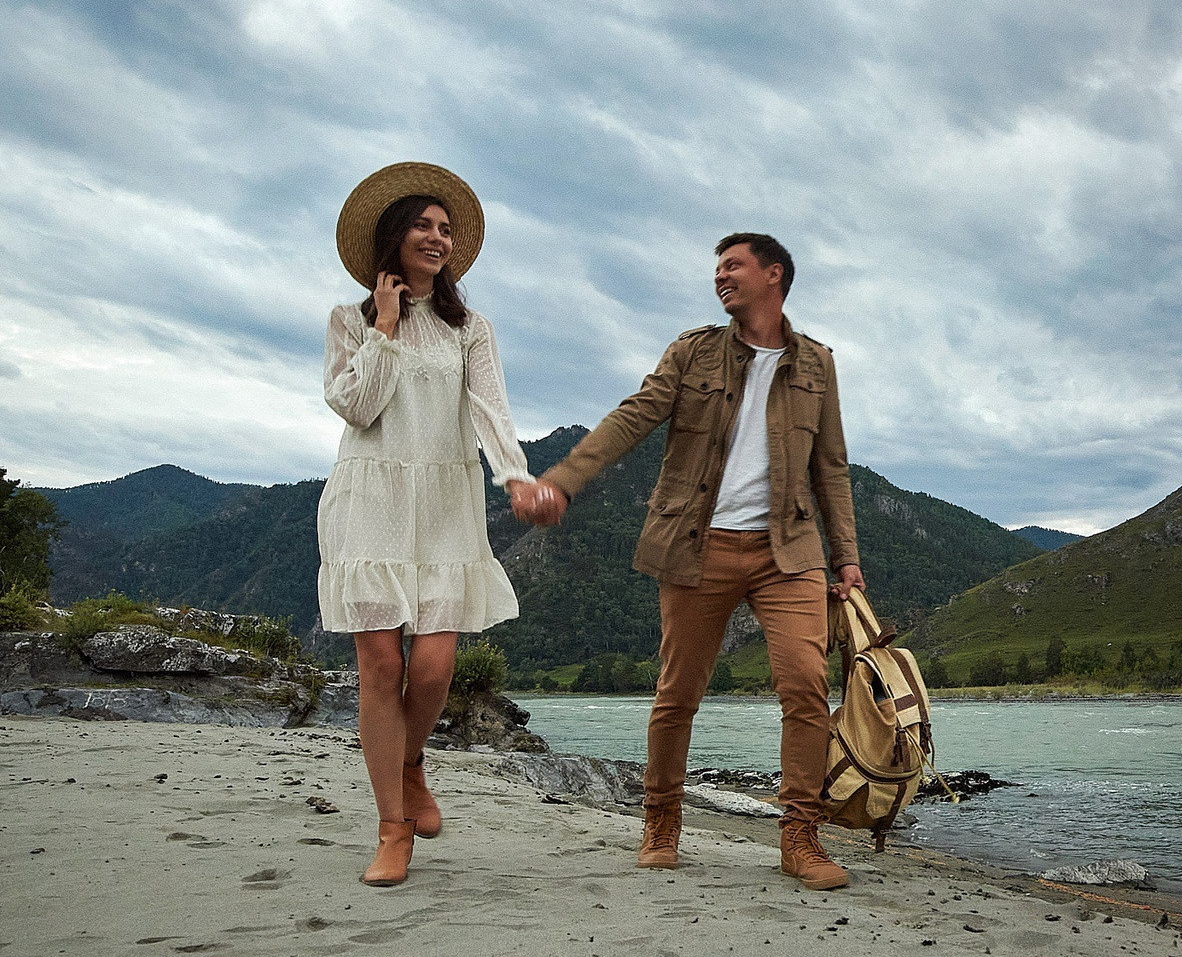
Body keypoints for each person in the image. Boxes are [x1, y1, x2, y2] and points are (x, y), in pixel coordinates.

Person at [511, 233, 863, 890]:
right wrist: (561, 480)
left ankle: (800, 838)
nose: (720, 277)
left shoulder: (818, 365)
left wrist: (847, 558)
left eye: (733, 266)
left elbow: (831, 468)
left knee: (806, 686)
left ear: (773, 275)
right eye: (716, 268)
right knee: (678, 695)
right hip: (696, 545)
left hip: (787, 549)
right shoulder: (692, 350)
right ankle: (661, 820)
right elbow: (632, 417)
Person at [318, 162, 541, 887]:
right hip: (371, 502)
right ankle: (392, 826)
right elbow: (357, 407)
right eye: (424, 225)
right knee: (381, 667)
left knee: (436, 668)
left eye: (446, 229)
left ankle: (412, 761)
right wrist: (384, 325)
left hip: (446, 507)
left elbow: (490, 411)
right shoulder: (348, 322)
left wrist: (516, 475)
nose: (438, 238)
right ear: (393, 236)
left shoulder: (470, 328)